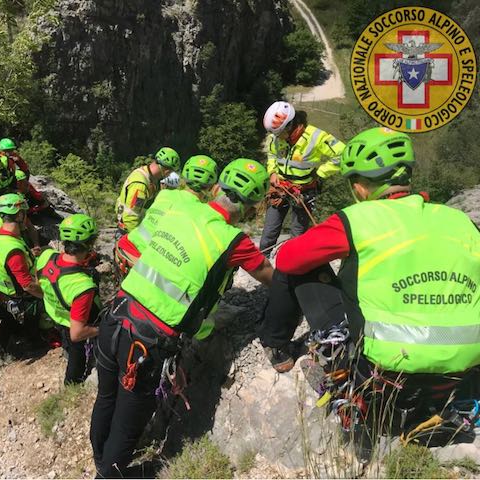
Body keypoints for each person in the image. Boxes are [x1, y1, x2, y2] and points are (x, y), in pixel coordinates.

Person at [258, 128, 480, 447]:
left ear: (360, 186)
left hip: (381, 371)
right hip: (459, 372)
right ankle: (434, 412)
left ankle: (278, 346)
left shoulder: (357, 219)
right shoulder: (460, 221)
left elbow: (290, 259)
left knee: (301, 266)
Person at [90, 158, 274, 478]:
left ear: (216, 189)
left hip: (116, 316)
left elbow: (133, 246)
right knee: (127, 421)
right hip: (147, 344)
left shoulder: (180, 208)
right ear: (251, 209)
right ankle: (110, 473)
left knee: (106, 397)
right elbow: (270, 276)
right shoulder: (234, 242)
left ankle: (99, 456)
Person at [114, 154, 219, 278]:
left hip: (127, 245)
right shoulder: (141, 184)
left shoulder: (163, 194)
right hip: (133, 247)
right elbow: (131, 216)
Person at [259, 101, 345, 251]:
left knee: (298, 235)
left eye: (280, 134)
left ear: (290, 126)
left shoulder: (315, 137)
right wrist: (272, 172)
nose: (277, 138)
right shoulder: (275, 135)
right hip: (280, 189)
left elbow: (343, 154)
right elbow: (272, 153)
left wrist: (321, 172)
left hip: (304, 192)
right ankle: (263, 265)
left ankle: (293, 268)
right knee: (269, 234)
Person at [37, 214, 102, 384]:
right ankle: (72, 382)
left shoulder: (46, 257)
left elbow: (39, 283)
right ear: (88, 245)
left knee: (68, 342)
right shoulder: (83, 286)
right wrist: (102, 329)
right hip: (71, 323)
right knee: (76, 351)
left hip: (54, 312)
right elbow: (77, 333)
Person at [0, 193, 44, 349]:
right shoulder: (13, 250)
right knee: (35, 323)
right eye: (24, 213)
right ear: (19, 214)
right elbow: (27, 285)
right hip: (23, 296)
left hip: (6, 291)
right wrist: (48, 296)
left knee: (11, 322)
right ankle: (35, 343)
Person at [114, 147, 180, 237]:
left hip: (138, 227)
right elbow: (131, 217)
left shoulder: (152, 178)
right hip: (128, 232)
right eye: (170, 173)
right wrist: (138, 241)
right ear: (166, 171)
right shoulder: (140, 184)